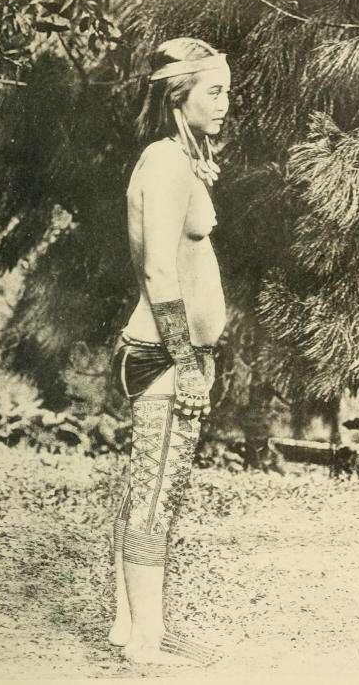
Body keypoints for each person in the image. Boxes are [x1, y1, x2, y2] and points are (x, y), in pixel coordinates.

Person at [108, 37, 231, 666]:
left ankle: (130, 627)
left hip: (172, 355)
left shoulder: (182, 158)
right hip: (163, 356)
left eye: (228, 91)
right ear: (178, 96)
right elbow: (159, 271)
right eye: (215, 90)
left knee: (151, 488)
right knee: (154, 495)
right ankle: (146, 642)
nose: (225, 102)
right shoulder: (163, 162)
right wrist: (186, 365)